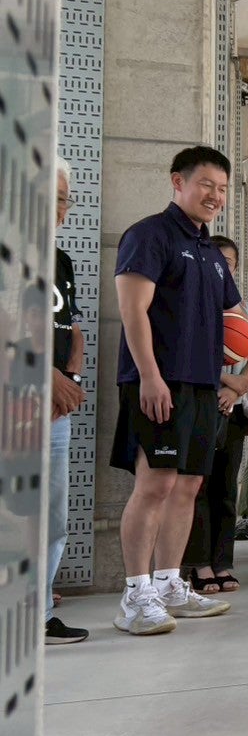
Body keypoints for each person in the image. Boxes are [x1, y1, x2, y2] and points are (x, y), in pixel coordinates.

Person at [111, 145, 248, 635]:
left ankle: (169, 583)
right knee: (155, 485)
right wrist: (148, 374)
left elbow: (238, 318)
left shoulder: (211, 252)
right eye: (206, 184)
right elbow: (132, 311)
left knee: (188, 486)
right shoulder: (149, 236)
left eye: (223, 189)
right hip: (159, 382)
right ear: (178, 182)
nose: (215, 195)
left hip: (205, 385)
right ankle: (134, 595)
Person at [184, 236, 248, 593]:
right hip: (201, 403)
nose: (224, 266)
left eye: (230, 261)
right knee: (196, 488)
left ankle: (222, 561)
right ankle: (197, 565)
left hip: (235, 407)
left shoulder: (244, 309)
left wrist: (237, 386)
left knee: (226, 488)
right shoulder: (193, 303)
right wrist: (221, 381)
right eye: (219, 259)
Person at [45, 160, 88, 644]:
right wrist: (48, 375)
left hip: (54, 407)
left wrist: (70, 377)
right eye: (52, 196)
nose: (59, 209)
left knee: (53, 515)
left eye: (64, 198)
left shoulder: (60, 261)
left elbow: (72, 329)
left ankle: (38, 609)